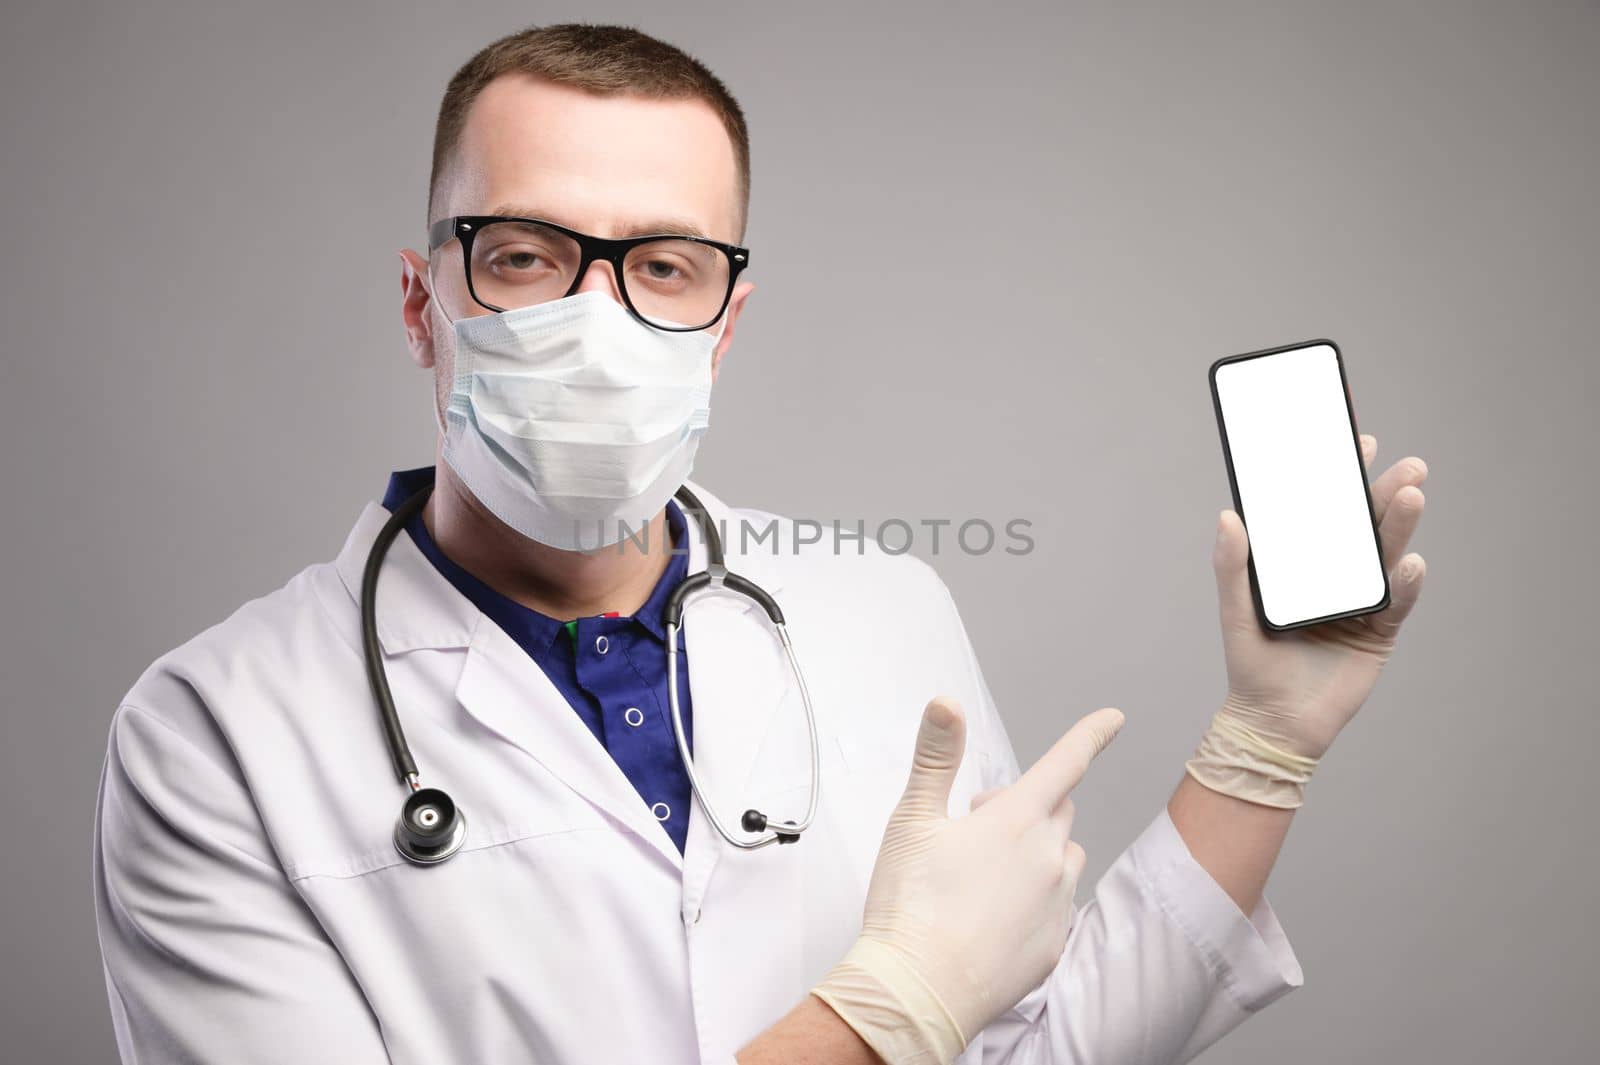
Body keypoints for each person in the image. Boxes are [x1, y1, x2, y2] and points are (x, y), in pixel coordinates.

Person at [91, 21, 1431, 1065]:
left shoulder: (881, 606)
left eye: (665, 265)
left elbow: (1034, 1044)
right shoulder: (214, 734)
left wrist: (1269, 738)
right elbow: (910, 1020)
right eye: (525, 256)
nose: (596, 322)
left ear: (726, 321)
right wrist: (881, 1012)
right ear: (420, 296)